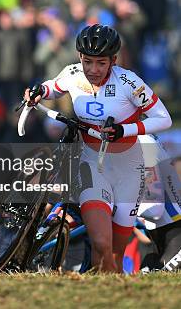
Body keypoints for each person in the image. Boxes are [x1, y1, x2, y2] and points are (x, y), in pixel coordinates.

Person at [25, 24, 172, 272]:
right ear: (80, 58)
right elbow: (53, 86)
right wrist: (39, 91)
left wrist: (125, 130)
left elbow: (164, 119)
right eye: (87, 62)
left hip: (130, 169)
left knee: (113, 255)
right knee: (101, 243)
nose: (93, 70)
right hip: (92, 164)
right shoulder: (73, 73)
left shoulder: (129, 82)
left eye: (101, 63)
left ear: (113, 60)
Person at [137, 134, 181, 272]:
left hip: (173, 226)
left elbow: (153, 210)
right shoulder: (142, 138)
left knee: (159, 273)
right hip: (159, 231)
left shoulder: (143, 141)